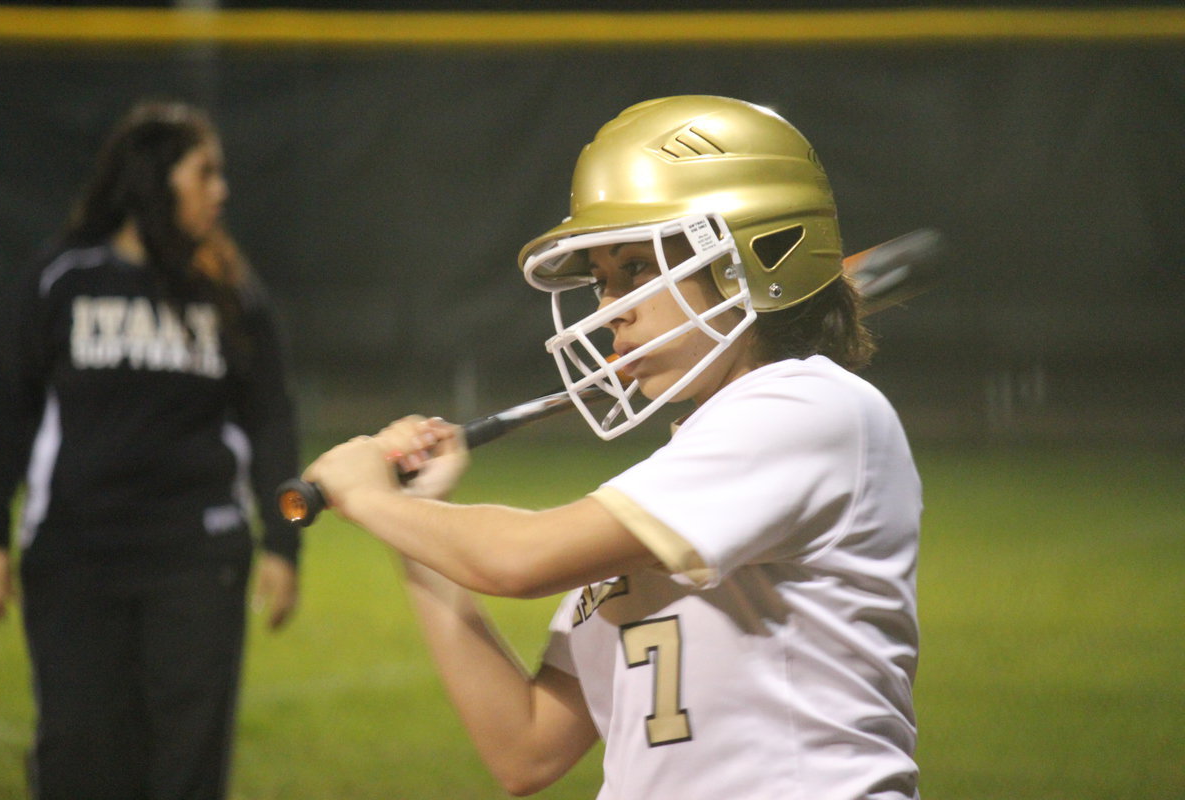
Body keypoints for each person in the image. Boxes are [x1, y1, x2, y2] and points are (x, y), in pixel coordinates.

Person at [303, 95, 921, 799]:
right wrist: (415, 521)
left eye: (636, 268)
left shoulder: (814, 408)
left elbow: (518, 558)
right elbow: (526, 748)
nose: (608, 310)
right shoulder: (670, 490)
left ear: (752, 254)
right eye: (603, 280)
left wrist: (372, 499)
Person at [0, 101, 302, 800]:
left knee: (187, 766)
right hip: (76, 557)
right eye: (204, 172)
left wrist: (285, 540)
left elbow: (270, 420)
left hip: (197, 560)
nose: (221, 190)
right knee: (81, 756)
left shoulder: (230, 293)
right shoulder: (63, 278)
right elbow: (6, 408)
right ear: (154, 178)